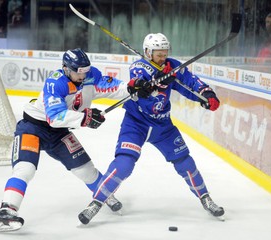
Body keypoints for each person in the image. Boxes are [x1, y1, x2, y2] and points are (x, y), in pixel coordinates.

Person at [78, 33, 224, 225]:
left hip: (162, 126)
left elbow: (191, 83)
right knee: (124, 163)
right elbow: (137, 82)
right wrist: (146, 85)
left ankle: (205, 198)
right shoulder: (139, 67)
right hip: (136, 123)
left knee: (185, 162)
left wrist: (206, 95)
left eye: (165, 53)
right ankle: (96, 202)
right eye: (158, 54)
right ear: (147, 52)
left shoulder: (173, 67)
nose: (163, 57)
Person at [0, 48, 130, 232]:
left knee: (86, 170)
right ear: (66, 68)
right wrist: (86, 118)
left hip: (59, 133)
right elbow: (54, 117)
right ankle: (6, 212)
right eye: (78, 72)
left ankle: (104, 196)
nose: (83, 76)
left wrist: (133, 87)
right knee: (25, 169)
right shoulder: (56, 82)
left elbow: (111, 87)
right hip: (34, 128)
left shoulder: (90, 75)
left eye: (86, 71)